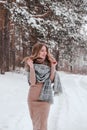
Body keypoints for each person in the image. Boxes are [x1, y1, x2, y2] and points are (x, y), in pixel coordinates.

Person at [23, 42, 62, 130]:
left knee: (43, 124)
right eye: (42, 51)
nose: (45, 53)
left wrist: (53, 67)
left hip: (45, 98)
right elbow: (32, 82)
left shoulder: (49, 64)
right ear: (37, 52)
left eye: (46, 51)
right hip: (33, 98)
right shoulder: (31, 63)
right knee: (36, 124)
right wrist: (32, 67)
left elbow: (51, 80)